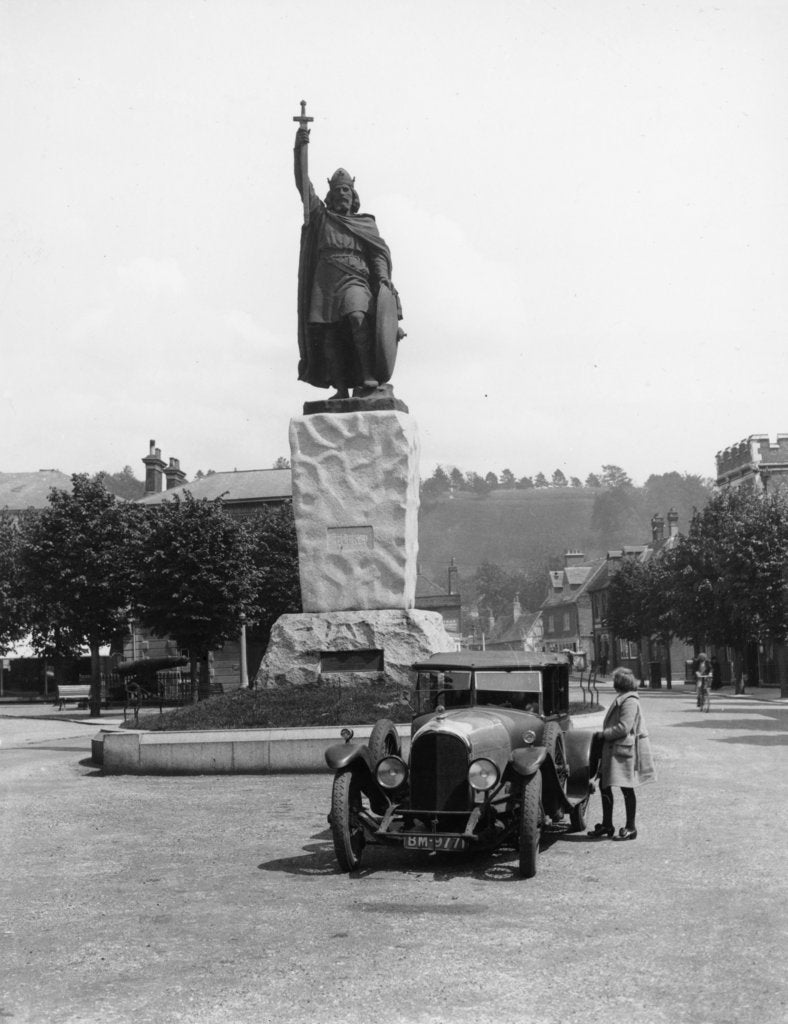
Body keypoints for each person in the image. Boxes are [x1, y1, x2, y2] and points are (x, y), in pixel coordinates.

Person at [294, 126, 403, 400]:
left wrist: (382, 279)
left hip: (355, 277)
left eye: (347, 190)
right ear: (331, 195)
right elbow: (302, 183)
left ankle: (367, 375)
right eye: (338, 190)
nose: (342, 194)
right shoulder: (321, 216)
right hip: (325, 282)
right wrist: (300, 149)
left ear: (353, 195)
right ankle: (341, 388)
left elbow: (378, 254)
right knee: (329, 334)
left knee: (357, 318)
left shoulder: (365, 223)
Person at [588, 667, 656, 841]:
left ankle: (631, 827)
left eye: (615, 680)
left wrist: (604, 734)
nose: (613, 683)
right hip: (616, 750)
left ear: (620, 683)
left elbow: (624, 728)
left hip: (623, 751)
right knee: (605, 785)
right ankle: (607, 824)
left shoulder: (630, 701)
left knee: (626, 787)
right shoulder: (624, 699)